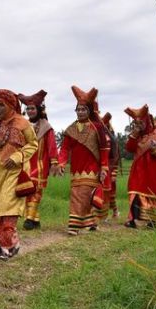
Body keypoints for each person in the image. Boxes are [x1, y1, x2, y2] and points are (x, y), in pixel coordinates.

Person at [0, 90, 38, 258]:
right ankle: (12, 243)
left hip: (15, 173)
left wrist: (18, 156)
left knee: (8, 208)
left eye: (1, 105)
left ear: (11, 105)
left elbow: (33, 144)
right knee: (1, 211)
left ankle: (6, 246)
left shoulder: (22, 123)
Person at [56, 86, 109, 235]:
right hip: (76, 169)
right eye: (78, 109)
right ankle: (90, 222)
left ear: (89, 111)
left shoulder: (97, 127)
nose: (80, 112)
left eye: (83, 109)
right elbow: (65, 149)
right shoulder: (71, 129)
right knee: (78, 194)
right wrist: (61, 163)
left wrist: (104, 167)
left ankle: (74, 226)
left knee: (85, 194)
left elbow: (104, 149)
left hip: (92, 168)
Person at [123, 105, 156, 228]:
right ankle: (133, 219)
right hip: (138, 169)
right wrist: (134, 134)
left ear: (146, 121)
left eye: (141, 123)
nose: (139, 125)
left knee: (151, 195)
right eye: (137, 123)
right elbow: (129, 148)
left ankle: (152, 221)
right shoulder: (136, 135)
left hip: (153, 169)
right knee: (135, 192)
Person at [17, 90, 58, 230]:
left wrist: (54, 162)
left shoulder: (46, 127)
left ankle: (29, 218)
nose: (29, 111)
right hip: (26, 164)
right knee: (28, 189)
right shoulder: (23, 125)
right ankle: (35, 219)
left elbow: (52, 146)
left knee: (35, 190)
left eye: (32, 108)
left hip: (40, 164)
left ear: (39, 109)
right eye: (27, 108)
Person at [101, 112, 121, 218]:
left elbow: (115, 159)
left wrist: (114, 173)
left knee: (111, 194)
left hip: (109, 170)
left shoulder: (113, 142)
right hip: (99, 170)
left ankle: (115, 211)